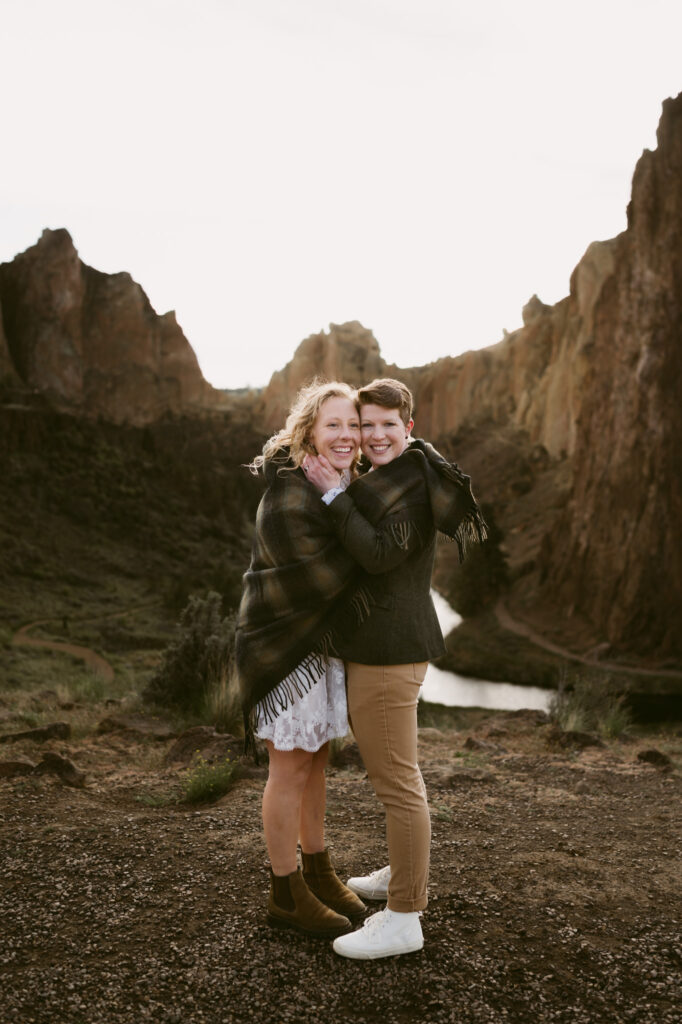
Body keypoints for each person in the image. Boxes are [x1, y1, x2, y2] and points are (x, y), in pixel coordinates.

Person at [303, 377, 486, 960]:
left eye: (388, 425)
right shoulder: (401, 474)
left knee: (398, 786)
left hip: (390, 651)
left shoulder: (407, 486)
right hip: (383, 646)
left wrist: (332, 496)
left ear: (409, 428)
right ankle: (403, 875)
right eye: (366, 424)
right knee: (398, 778)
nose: (375, 436)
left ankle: (404, 915)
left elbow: (380, 553)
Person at [235, 380, 369, 939]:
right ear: (309, 429)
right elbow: (327, 576)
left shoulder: (336, 482)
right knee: (289, 768)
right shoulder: (291, 491)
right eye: (333, 424)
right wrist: (370, 553)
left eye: (353, 426)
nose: (346, 436)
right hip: (284, 647)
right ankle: (285, 891)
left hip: (317, 648)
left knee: (316, 762)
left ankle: (317, 870)